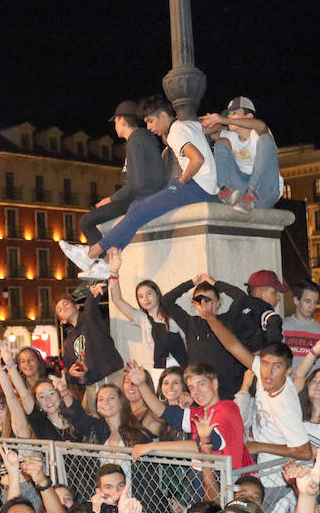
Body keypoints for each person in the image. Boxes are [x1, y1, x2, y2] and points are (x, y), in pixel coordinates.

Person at [76, 95, 218, 280]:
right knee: (137, 208)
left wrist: (183, 180)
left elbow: (197, 159)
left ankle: (93, 253)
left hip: (193, 188)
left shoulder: (175, 133)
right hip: (200, 186)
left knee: (139, 210)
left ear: (161, 114)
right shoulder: (186, 125)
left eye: (151, 121)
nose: (150, 127)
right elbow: (209, 134)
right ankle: (108, 261)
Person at [195, 305, 313, 475]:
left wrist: (258, 446)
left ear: (288, 372)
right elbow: (233, 346)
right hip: (259, 468)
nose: (268, 371)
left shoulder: (285, 407)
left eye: (277, 366)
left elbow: (305, 452)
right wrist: (210, 317)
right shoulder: (265, 373)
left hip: (277, 476)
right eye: (265, 364)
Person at [61, 100, 166, 264]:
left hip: (140, 198)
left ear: (122, 120)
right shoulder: (140, 140)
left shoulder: (136, 141)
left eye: (115, 121)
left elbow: (136, 183)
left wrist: (111, 199)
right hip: (141, 195)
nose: (114, 126)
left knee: (87, 221)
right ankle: (100, 261)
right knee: (91, 220)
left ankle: (100, 262)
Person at [105, 248, 187, 384]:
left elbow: (186, 344)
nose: (146, 299)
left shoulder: (173, 316)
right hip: (155, 369)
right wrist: (114, 272)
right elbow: (117, 300)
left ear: (157, 294)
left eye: (149, 293)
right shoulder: (142, 318)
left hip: (177, 366)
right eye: (141, 296)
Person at [161, 276, 246, 399]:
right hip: (200, 395)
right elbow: (166, 300)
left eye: (208, 300)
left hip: (230, 391)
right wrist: (191, 283)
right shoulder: (190, 323)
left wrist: (216, 283)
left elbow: (243, 299)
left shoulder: (228, 320)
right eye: (199, 301)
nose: (203, 304)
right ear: (194, 304)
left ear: (218, 302)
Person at [200, 96, 282, 211]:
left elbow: (260, 125)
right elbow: (203, 132)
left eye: (234, 113)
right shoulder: (229, 136)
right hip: (241, 190)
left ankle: (251, 192)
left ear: (249, 117)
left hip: (265, 189)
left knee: (266, 141)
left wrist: (225, 120)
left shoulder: (258, 133)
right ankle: (225, 192)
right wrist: (214, 122)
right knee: (221, 143)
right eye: (229, 114)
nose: (229, 117)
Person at [55, 286, 124, 413]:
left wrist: (93, 294)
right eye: (59, 309)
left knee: (121, 413)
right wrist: (73, 373)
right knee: (99, 420)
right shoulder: (68, 344)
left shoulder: (90, 319)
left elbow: (91, 306)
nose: (63, 307)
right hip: (93, 386)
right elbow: (70, 370)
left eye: (66, 304)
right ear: (63, 320)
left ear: (76, 307)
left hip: (114, 375)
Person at [282, 279, 320, 372]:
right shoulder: (283, 326)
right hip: (289, 384)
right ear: (296, 300)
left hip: (313, 384)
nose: (312, 306)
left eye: (315, 302)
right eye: (308, 301)